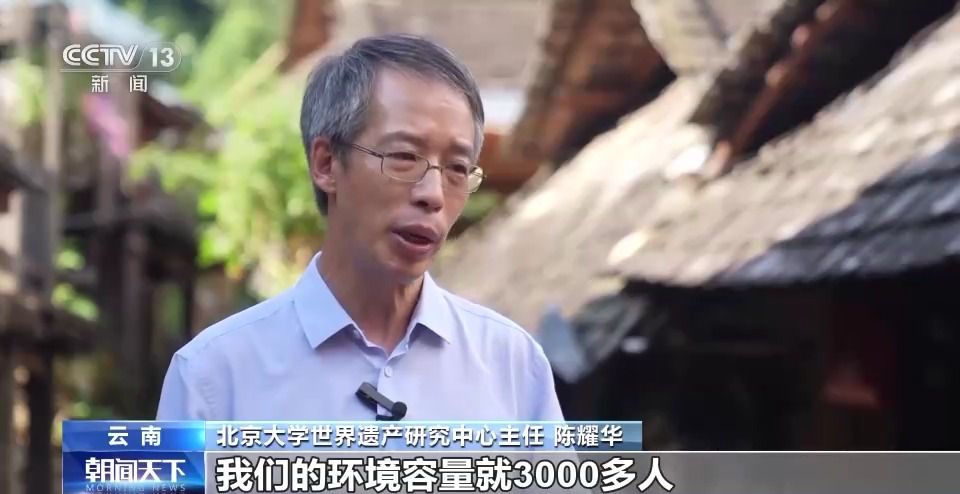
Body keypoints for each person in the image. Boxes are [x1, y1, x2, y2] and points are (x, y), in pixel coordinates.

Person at [156, 34, 564, 421]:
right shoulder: (213, 377)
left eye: (457, 168)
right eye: (404, 156)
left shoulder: (514, 368)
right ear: (326, 164)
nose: (434, 194)